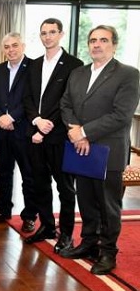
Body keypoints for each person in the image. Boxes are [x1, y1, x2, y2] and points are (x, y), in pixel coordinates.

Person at [60, 25, 139, 275]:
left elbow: (121, 115)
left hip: (108, 150)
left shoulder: (128, 74)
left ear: (114, 45)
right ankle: (89, 243)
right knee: (85, 199)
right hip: (80, 149)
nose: (97, 44)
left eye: (103, 40)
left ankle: (108, 252)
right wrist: (75, 131)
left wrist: (83, 132)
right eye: (93, 40)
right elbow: (65, 104)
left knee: (107, 204)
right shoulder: (78, 73)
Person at [22, 18, 83, 252]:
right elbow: (27, 98)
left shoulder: (74, 65)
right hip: (35, 134)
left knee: (65, 188)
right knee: (40, 184)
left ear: (61, 34)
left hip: (59, 135)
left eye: (52, 32)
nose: (47, 36)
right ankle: (47, 226)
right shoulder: (34, 65)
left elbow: (68, 101)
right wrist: (36, 121)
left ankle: (66, 234)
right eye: (44, 33)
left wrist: (47, 125)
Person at [0, 32, 38, 226]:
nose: (11, 50)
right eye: (7, 47)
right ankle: (3, 209)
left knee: (28, 175)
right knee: (3, 172)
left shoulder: (34, 68)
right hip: (2, 130)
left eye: (15, 45)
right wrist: (0, 116)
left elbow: (33, 98)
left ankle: (29, 216)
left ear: (23, 46)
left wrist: (12, 116)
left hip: (23, 130)